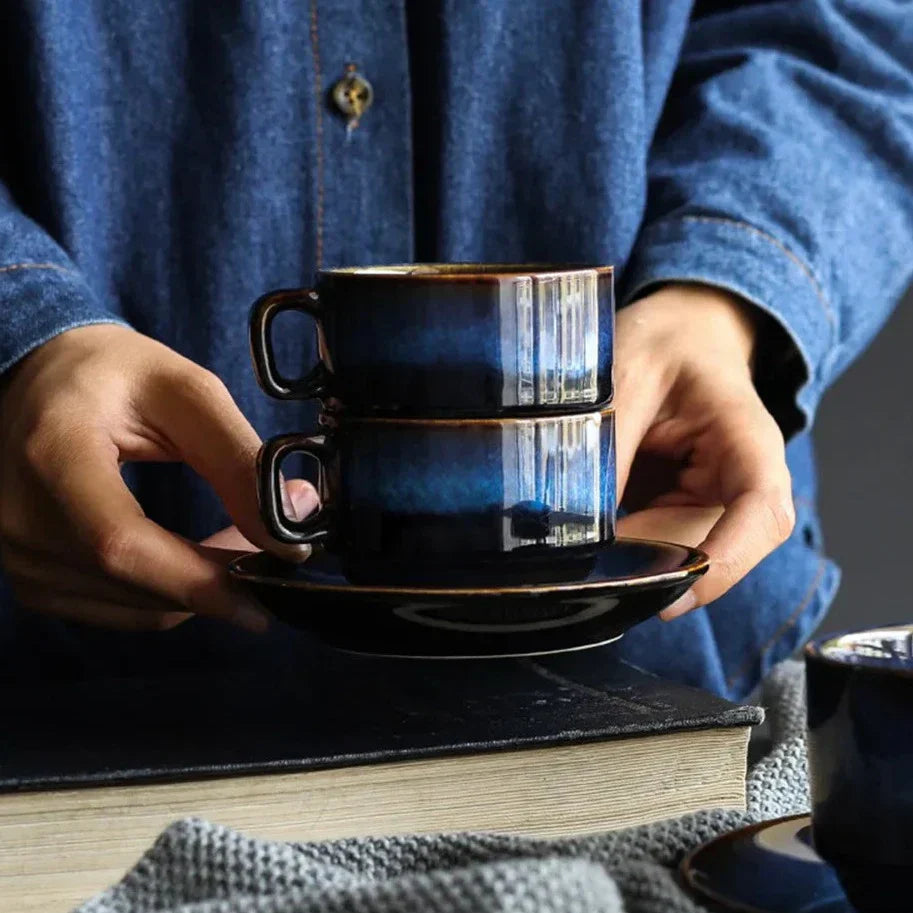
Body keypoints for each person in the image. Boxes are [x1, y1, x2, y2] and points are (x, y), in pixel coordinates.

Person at [0, 1, 910, 701]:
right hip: (71, 698)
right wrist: (21, 325)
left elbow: (852, 32)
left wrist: (721, 296)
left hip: (662, 689)